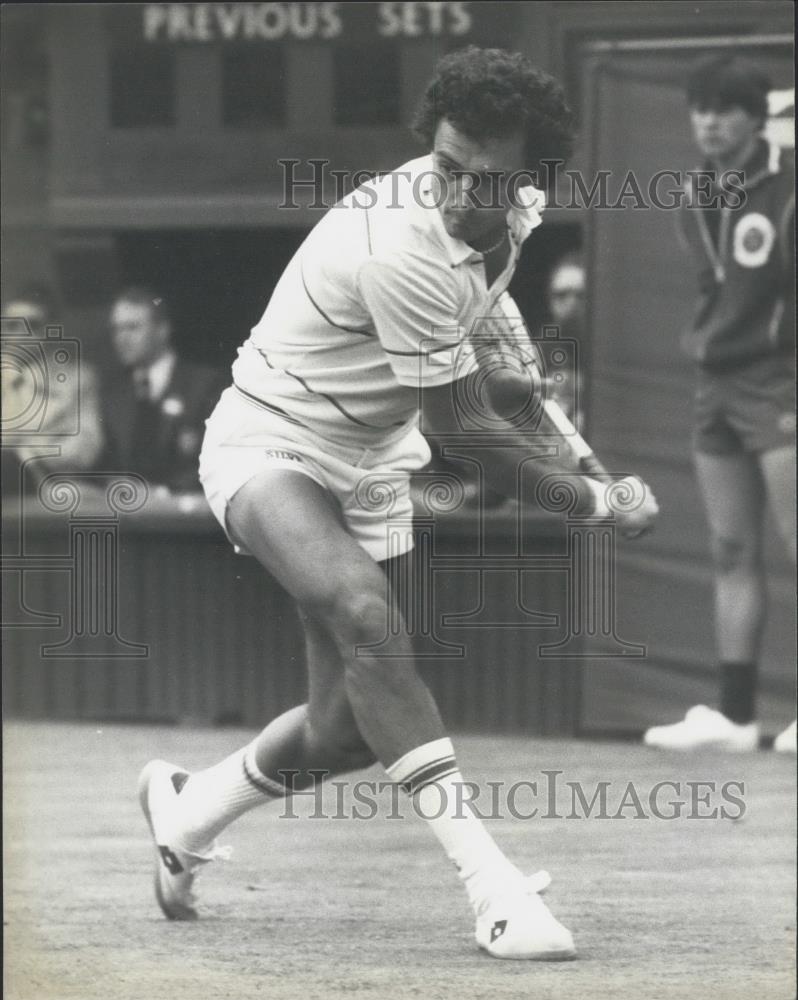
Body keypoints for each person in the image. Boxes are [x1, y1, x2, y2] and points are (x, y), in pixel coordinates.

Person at [138, 46, 659, 959]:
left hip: (375, 454)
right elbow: (467, 433)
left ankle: (187, 813)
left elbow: (487, 306)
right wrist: (592, 502)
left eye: (484, 178)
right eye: (446, 165)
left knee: (344, 729)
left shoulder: (517, 210)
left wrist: (527, 383)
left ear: (530, 177)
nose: (457, 192)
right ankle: (493, 890)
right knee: (367, 617)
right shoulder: (397, 242)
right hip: (272, 438)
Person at [643, 55, 796, 754]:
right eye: (699, 107)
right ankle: (737, 717)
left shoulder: (790, 184)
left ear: (757, 116)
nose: (708, 120)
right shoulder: (693, 195)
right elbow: (718, 289)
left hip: (783, 379)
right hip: (718, 383)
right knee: (731, 547)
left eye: (724, 108)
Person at [101, 287, 225, 494]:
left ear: (162, 330)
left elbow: (219, 461)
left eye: (132, 327)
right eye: (116, 329)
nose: (121, 338)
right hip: (128, 517)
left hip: (190, 514)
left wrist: (162, 492)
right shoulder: (113, 394)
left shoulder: (205, 385)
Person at [1, 283, 104, 496]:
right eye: (12, 326)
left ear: (49, 330)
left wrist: (28, 457)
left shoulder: (77, 380)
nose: (21, 334)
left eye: (33, 325)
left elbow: (87, 445)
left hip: (52, 486)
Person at [544, 253, 586, 431]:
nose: (571, 303)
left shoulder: (609, 349)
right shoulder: (534, 353)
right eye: (562, 295)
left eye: (581, 295)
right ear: (550, 301)